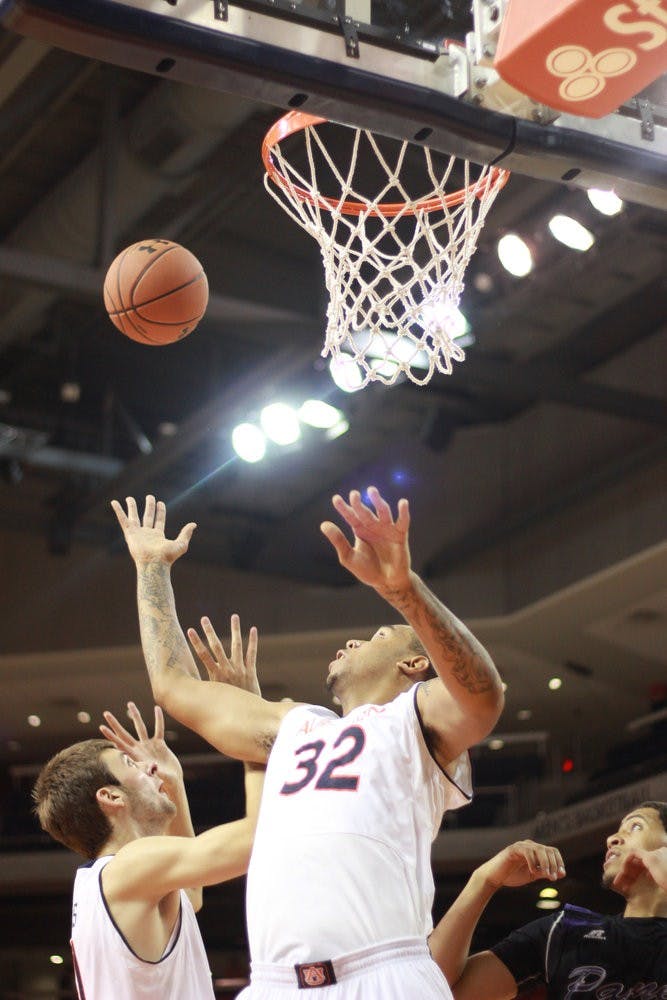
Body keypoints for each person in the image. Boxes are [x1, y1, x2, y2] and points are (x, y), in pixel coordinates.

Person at [112, 487, 505, 998]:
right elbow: (173, 687)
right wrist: (151, 570)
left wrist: (404, 593)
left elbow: (482, 696)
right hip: (275, 984)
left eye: (378, 637)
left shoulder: (413, 721)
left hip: (383, 971)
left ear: (414, 665)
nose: (352, 642)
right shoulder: (294, 724)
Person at [33, 626, 263, 1000]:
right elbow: (255, 839)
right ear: (110, 796)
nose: (149, 768)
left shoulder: (111, 881)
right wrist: (250, 724)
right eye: (130, 763)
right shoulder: (130, 866)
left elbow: (191, 895)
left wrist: (175, 784)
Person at [429, 801, 667, 999]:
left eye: (636, 826)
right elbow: (435, 987)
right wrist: (485, 880)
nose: (612, 838)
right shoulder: (566, 931)